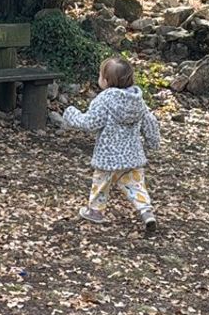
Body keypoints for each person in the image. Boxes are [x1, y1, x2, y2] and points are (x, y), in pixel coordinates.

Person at [63, 56, 161, 234]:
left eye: (100, 75)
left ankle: (95, 211)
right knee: (136, 185)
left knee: (100, 185)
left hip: (107, 156)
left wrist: (71, 114)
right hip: (132, 156)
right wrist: (153, 142)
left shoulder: (105, 99)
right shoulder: (137, 100)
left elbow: (91, 123)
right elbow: (150, 121)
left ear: (106, 81)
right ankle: (146, 211)